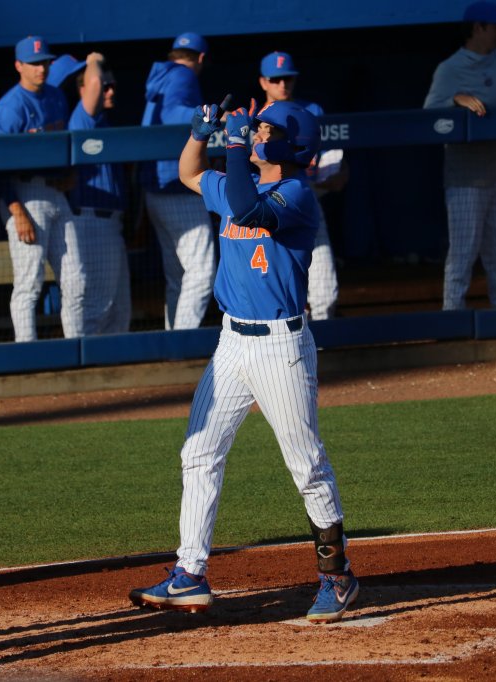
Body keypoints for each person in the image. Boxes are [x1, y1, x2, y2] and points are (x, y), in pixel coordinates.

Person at [129, 100, 358, 623]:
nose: (254, 132)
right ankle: (189, 574)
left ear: (291, 144)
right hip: (232, 343)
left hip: (281, 346)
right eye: (254, 127)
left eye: (264, 129)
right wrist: (200, 132)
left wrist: (232, 147)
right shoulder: (239, 179)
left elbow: (249, 209)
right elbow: (189, 172)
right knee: (199, 451)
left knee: (306, 463)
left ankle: (337, 576)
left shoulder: (297, 194)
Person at [424, 1, 496, 311]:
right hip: (463, 179)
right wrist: (455, 99)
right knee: (463, 253)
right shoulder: (450, 69)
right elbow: (426, 117)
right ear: (478, 28)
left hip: (494, 176)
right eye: (495, 27)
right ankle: (452, 315)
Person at [0, 36, 80, 340]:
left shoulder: (55, 96)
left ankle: (78, 347)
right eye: (35, 64)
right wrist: (16, 211)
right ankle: (28, 353)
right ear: (19, 66)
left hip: (55, 192)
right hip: (23, 194)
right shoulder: (10, 108)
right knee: (29, 283)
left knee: (76, 279)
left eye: (45, 63)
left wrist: (68, 175)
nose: (42, 69)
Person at [258, 51, 343, 320]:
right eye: (276, 79)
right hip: (266, 213)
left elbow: (338, 167)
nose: (283, 85)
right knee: (277, 296)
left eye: (288, 79)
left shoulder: (312, 111)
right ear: (263, 82)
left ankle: (321, 354)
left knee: (324, 294)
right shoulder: (254, 118)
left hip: (306, 203)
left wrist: (334, 176)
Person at [141, 32, 215, 330]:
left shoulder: (162, 76)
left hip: (156, 188)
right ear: (201, 58)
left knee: (179, 276)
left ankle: (174, 340)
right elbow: (173, 114)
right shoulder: (183, 75)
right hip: (176, 187)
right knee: (201, 272)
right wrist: (210, 115)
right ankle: (183, 341)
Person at [53, 53, 132, 334]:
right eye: (105, 86)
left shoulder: (99, 120)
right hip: (91, 221)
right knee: (97, 307)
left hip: (109, 222)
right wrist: (95, 60)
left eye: (113, 86)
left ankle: (113, 371)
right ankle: (84, 371)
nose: (109, 90)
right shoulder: (82, 118)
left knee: (120, 310)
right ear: (83, 88)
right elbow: (95, 81)